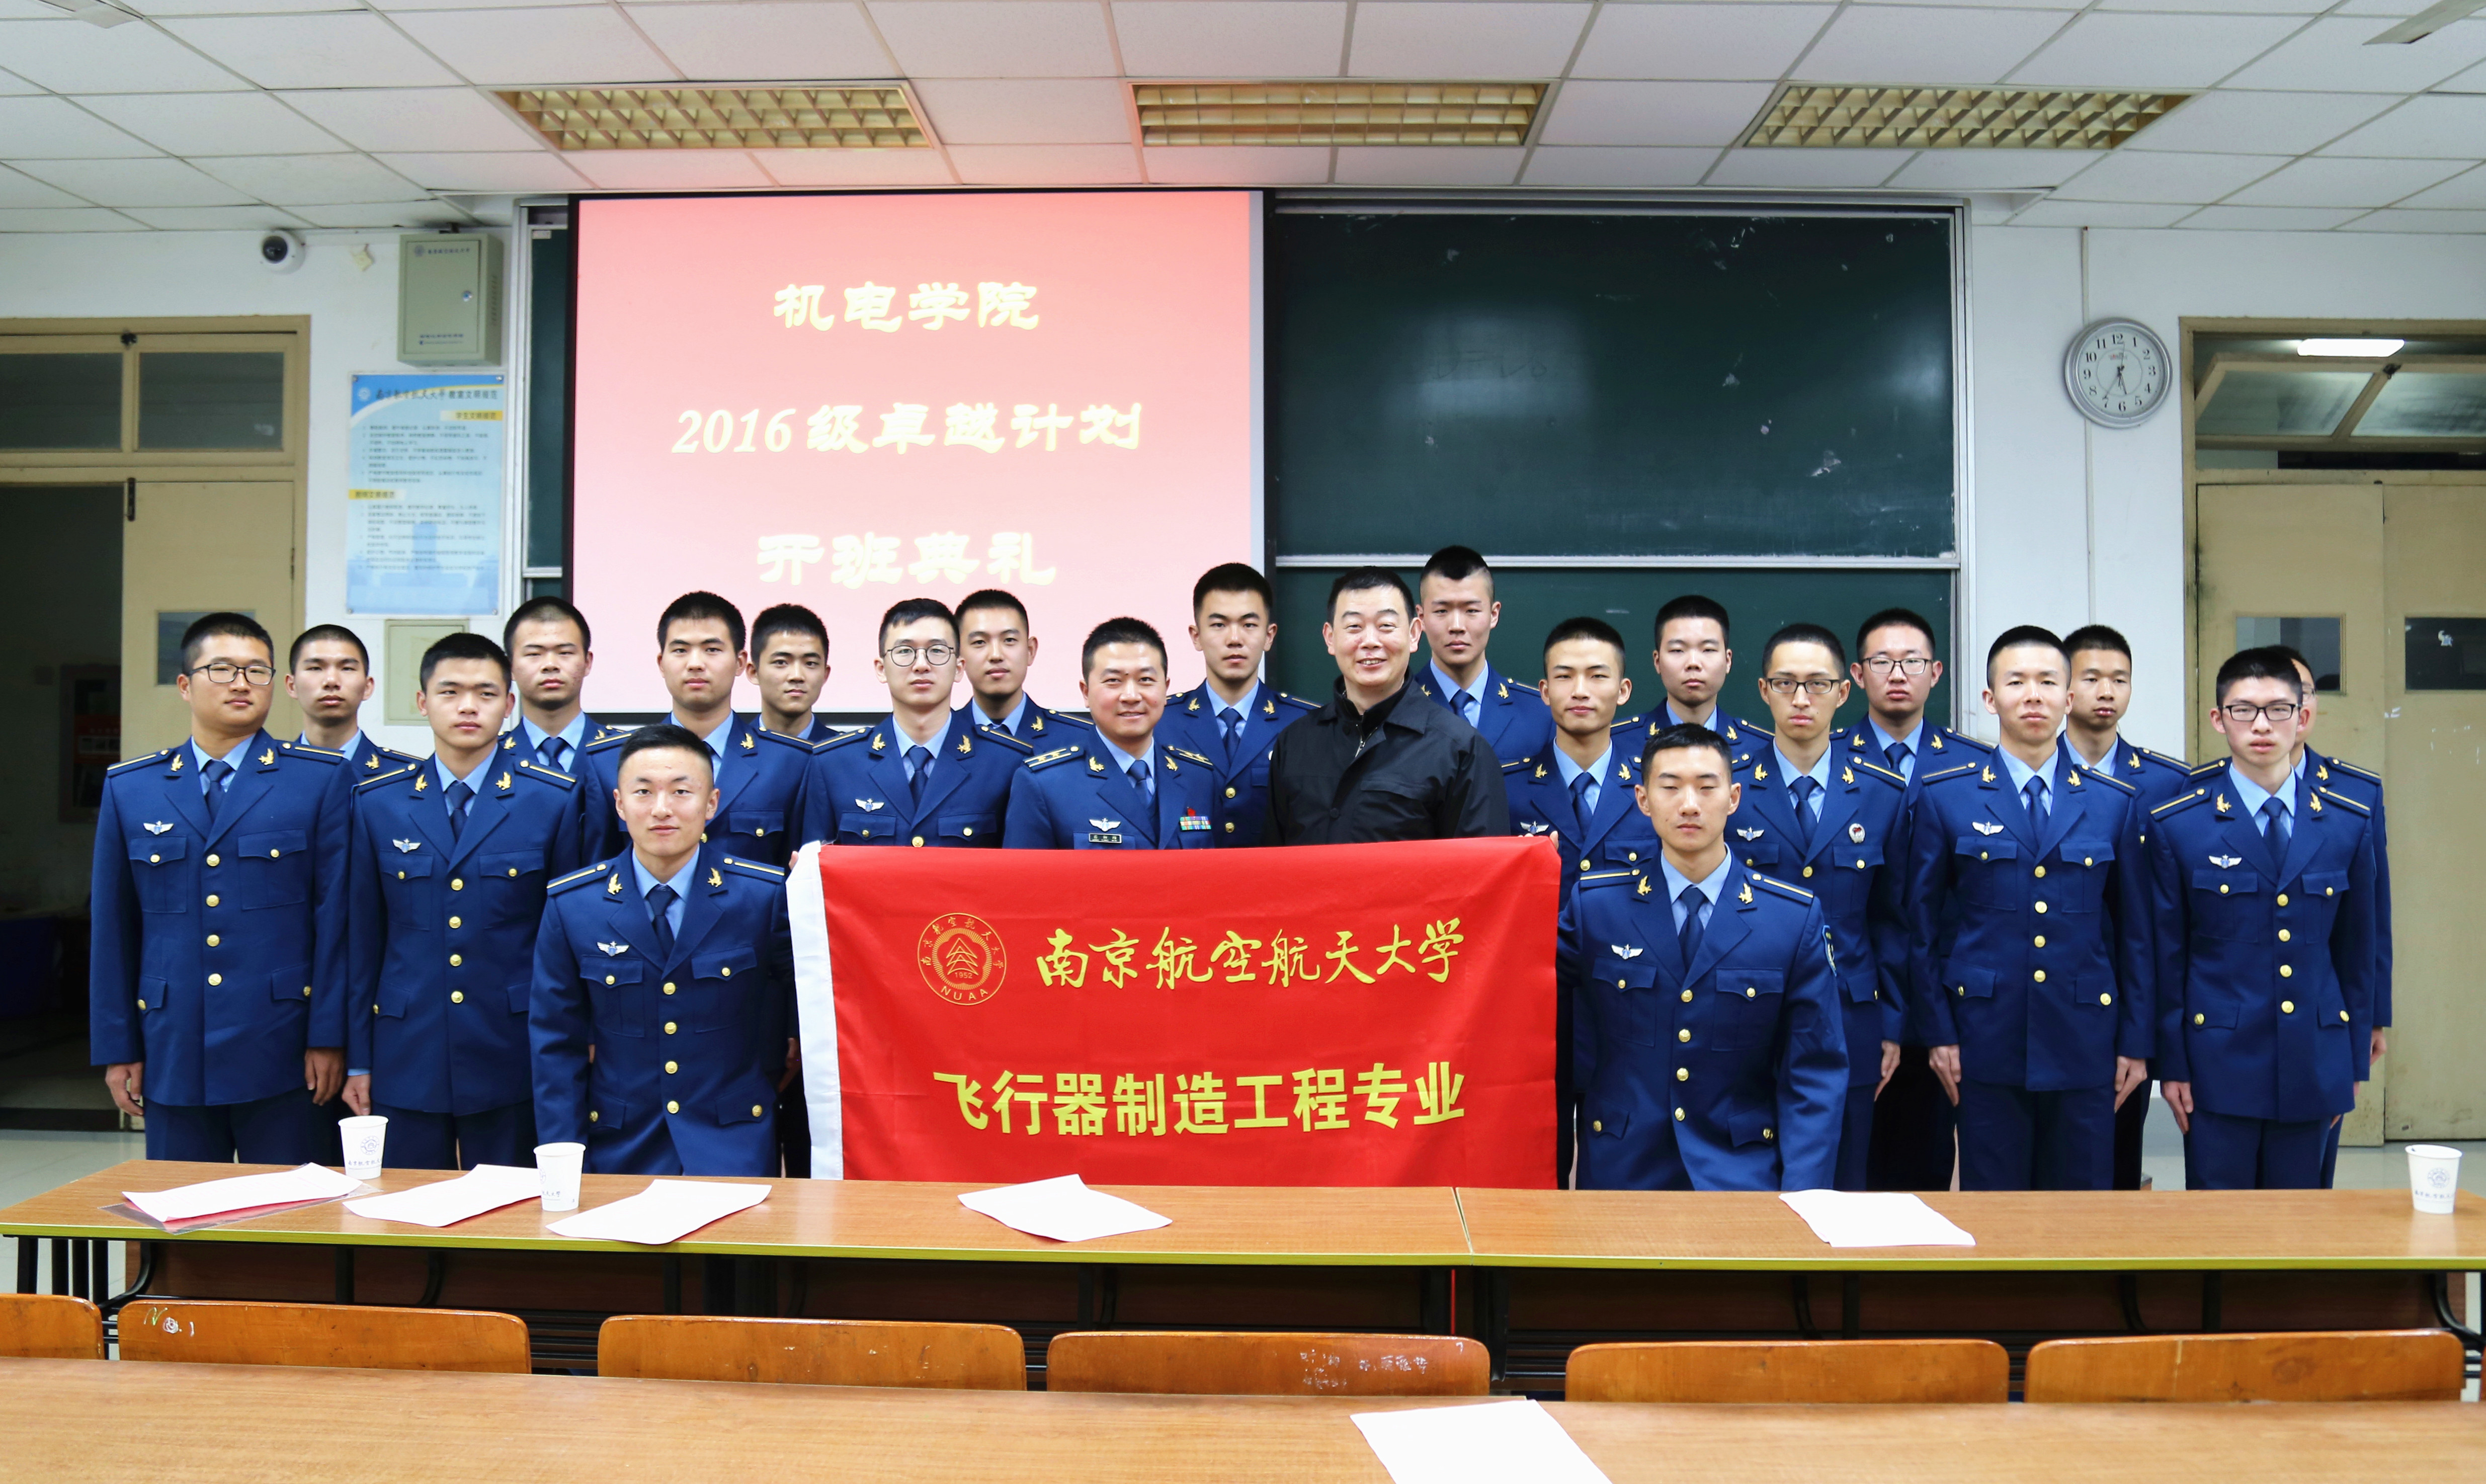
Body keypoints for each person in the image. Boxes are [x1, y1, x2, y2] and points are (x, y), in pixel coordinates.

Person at [90, 612, 353, 1162]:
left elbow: (337, 923)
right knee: (182, 1206)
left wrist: (329, 1037)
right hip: (173, 1047)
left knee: (294, 1207)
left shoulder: (319, 780)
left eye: (257, 671)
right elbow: (113, 929)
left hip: (283, 1048)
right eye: (222, 669)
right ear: (186, 685)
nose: (241, 683)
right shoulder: (132, 788)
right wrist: (118, 1046)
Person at [1905, 626, 2151, 1192]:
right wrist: (1938, 1033)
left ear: (2069, 697)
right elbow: (1922, 928)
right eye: (2016, 682)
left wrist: (2136, 1042)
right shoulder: (1946, 796)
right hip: (1983, 1038)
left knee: (2082, 1209)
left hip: (2085, 1039)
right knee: (1996, 1209)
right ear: (1990, 699)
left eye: (2048, 682)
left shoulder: (2114, 802)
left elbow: (2136, 934)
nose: (2033, 695)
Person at [1563, 723, 1845, 1191]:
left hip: (1741, 1173)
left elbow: (1814, 1072)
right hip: (1623, 1172)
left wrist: (1805, 1195)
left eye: (1706, 787)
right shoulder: (1596, 908)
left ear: (1734, 798)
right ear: (1642, 799)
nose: (1689, 805)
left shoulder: (1791, 918)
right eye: (1670, 787)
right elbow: (1518, 983)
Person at [344, 633, 581, 1169]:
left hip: (511, 1046)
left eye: (486, 693)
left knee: (512, 1206)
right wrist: (359, 1058)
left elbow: (566, 942)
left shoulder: (552, 799)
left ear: (509, 704)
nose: (468, 706)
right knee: (403, 1204)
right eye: (450, 692)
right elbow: (362, 940)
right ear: (422, 702)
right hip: (407, 1047)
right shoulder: (378, 801)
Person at [2150, 648, 2376, 1190]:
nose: (2261, 725)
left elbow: (2357, 953)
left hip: (2313, 1060)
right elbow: (2166, 956)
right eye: (2243, 710)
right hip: (2217, 1062)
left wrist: (2350, 1066)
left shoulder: (2347, 822)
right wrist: (2172, 1065)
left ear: (2302, 716)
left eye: (2278, 709)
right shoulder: (2180, 825)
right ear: (2218, 719)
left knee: (2300, 1223)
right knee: (2219, 1223)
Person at [531, 724, 796, 1177]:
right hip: (620, 1145)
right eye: (643, 792)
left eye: (681, 792)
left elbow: (811, 1008)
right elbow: (556, 1046)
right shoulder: (573, 905)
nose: (661, 809)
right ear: (619, 804)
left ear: (711, 803)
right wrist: (564, 1160)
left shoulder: (762, 897)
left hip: (732, 1142)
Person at [1730, 623, 1911, 1191]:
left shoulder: (1884, 791)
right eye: (1786, 683)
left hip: (1849, 1016)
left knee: (1844, 1183)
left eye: (1817, 684)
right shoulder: (1729, 787)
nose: (1801, 698)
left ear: (1843, 692)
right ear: (1764, 691)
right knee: (1750, 1180)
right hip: (1748, 1012)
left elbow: (1894, 920)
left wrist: (1891, 1023)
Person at [1504, 616, 1663, 1184]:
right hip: (1533, 1005)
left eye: (1597, 676)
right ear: (1543, 690)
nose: (1580, 690)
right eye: (1564, 676)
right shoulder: (1505, 785)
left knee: (1622, 1167)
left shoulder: (1656, 787)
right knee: (1533, 1164)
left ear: (1624, 690)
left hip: (1628, 1004)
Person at [1841, 605, 1991, 1192]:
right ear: (1858, 674)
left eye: (1911, 661)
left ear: (1936, 672)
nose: (1898, 673)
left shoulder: (1976, 769)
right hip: (1855, 1005)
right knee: (1848, 1181)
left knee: (1925, 1178)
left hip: (1945, 1009)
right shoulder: (1831, 761)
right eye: (1882, 661)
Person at [2058, 623, 2192, 1190]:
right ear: (2065, 688)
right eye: (2091, 678)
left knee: (2115, 1164)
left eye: (2120, 679)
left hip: (2132, 1000)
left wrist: (2147, 1033)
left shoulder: (2167, 783)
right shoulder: (2028, 775)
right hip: (2051, 994)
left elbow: (2170, 917)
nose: (2106, 691)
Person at [2263, 644, 2392, 1188]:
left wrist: (2371, 1018)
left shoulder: (2355, 792)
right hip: (2236, 1026)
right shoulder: (2206, 792)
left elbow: (2369, 920)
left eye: (2301, 695)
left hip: (2323, 1018)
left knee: (2309, 1177)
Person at [1263, 567, 1509, 844]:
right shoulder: (1295, 742)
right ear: (1330, 638)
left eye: (1386, 626)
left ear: (1414, 634)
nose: (1370, 642)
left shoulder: (1461, 750)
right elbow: (1274, 860)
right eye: (1354, 627)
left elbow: (1483, 866)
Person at [577, 592, 812, 868]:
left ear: (740, 662)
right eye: (681, 650)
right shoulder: (610, 761)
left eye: (712, 650)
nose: (696, 663)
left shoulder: (791, 763)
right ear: (661, 663)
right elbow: (596, 875)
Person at [800, 598, 1032, 847]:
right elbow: (813, 866)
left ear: (959, 668)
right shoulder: (834, 764)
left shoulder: (1006, 762)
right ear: (881, 669)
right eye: (905, 652)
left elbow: (1020, 865)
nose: (921, 665)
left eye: (937, 651)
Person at [1006, 618, 1219, 850]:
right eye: (1113, 681)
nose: (1131, 696)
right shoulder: (1044, 784)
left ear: (1166, 689)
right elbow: (1025, 873)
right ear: (1086, 692)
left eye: (1146, 680)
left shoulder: (1199, 776)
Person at [1161, 562, 1316, 847]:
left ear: (1269, 636)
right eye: (1219, 625)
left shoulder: (1307, 725)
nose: (1235, 639)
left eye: (1249, 625)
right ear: (1196, 636)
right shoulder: (1160, 723)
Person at [1410, 545, 1553, 766]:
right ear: (1421, 618)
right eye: (1442, 611)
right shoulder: (1395, 710)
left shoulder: (1541, 715)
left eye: (1472, 611)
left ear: (1494, 614)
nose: (1457, 626)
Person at [1613, 595, 1768, 764]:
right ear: (1657, 662)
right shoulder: (1617, 745)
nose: (1693, 663)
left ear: (1728, 661)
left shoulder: (1763, 749)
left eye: (1708, 650)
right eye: (1678, 650)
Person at [499, 597, 613, 774]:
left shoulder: (625, 754)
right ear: (510, 667)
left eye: (565, 653)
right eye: (534, 654)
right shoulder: (489, 757)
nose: (550, 665)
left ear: (587, 663)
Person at [285, 624, 417, 777]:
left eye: (347, 668)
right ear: (292, 686)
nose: (331, 681)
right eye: (315, 668)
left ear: (367, 687)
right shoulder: (267, 774)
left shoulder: (403, 777)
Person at [957, 589, 1075, 742]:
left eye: (1009, 640)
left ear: (1030, 651)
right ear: (958, 656)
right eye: (980, 642)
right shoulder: (941, 738)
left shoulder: (1075, 739)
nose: (996, 655)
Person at [748, 603, 843, 744]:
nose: (797, 676)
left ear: (825, 674)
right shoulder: (727, 750)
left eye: (810, 663)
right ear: (754, 672)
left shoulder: (844, 751)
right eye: (781, 662)